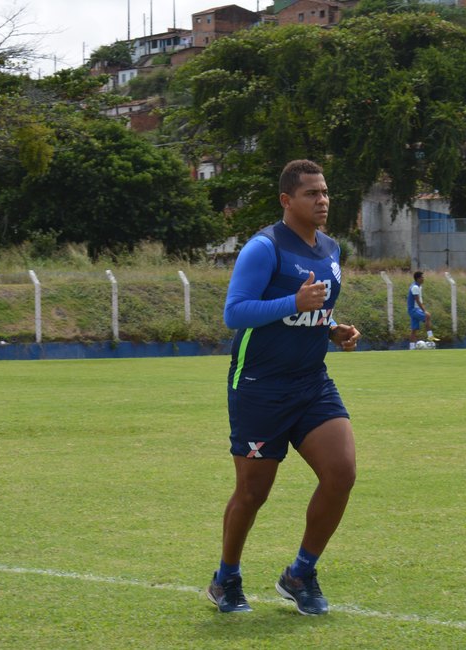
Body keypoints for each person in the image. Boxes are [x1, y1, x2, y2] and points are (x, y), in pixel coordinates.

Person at [206, 160, 360, 616]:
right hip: (259, 386)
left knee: (342, 473)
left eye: (326, 192)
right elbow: (235, 313)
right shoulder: (263, 248)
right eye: (312, 193)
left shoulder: (331, 248)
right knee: (253, 493)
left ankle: (300, 573)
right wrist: (292, 302)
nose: (323, 201)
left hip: (312, 383)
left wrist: (331, 326)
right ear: (286, 200)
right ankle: (226, 578)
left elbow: (312, 309)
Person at [407, 271, 439, 349]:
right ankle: (430, 337)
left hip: (414, 309)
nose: (423, 279)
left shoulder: (418, 286)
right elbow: (417, 300)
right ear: (418, 279)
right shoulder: (415, 287)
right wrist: (424, 311)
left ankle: (412, 348)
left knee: (414, 330)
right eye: (422, 277)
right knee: (427, 315)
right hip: (413, 309)